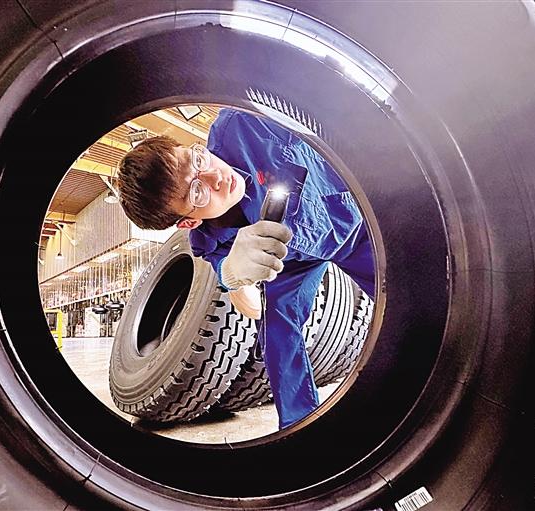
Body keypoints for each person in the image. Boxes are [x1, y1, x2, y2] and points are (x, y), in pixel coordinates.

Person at [117, 108, 375, 429]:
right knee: (277, 334)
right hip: (291, 266)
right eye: (197, 191)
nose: (215, 177)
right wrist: (234, 276)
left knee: (405, 295)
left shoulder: (241, 123)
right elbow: (251, 307)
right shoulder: (207, 242)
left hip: (352, 224)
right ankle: (301, 427)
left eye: (196, 159)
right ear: (189, 221)